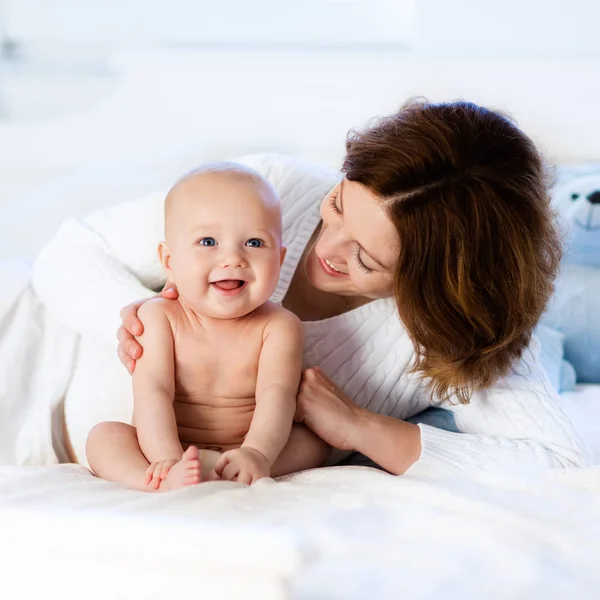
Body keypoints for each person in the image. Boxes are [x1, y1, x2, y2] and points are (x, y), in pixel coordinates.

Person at [32, 99, 588, 477]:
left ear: (435, 287)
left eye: (365, 257)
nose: (329, 246)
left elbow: (557, 460)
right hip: (38, 381)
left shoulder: (452, 338)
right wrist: (130, 325)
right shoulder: (274, 189)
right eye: (339, 206)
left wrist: (361, 428)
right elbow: (70, 249)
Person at [86, 164, 329, 490]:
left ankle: (236, 468)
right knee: (104, 437)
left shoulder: (279, 326)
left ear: (280, 260)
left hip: (244, 446)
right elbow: (153, 393)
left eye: (255, 243)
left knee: (314, 442)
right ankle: (154, 480)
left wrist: (257, 452)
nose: (232, 258)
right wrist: (168, 458)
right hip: (164, 446)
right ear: (169, 262)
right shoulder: (160, 317)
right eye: (208, 241)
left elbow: (277, 396)